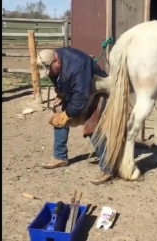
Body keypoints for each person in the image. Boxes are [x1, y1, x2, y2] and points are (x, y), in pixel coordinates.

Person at [36, 47, 113, 185]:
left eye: (50, 70)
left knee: (91, 126)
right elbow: (58, 80)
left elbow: (80, 97)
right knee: (58, 115)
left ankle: (108, 169)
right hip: (81, 91)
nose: (50, 74)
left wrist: (67, 115)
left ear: (56, 61)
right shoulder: (53, 64)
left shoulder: (78, 65)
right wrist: (60, 95)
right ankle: (60, 157)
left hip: (98, 91)